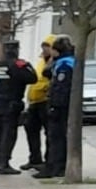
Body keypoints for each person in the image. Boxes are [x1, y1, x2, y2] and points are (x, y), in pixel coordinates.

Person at [0, 43, 36, 175]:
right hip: (12, 104)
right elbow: (33, 78)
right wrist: (27, 65)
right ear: (16, 51)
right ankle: (4, 164)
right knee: (8, 134)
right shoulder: (18, 65)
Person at [37, 35, 77, 179]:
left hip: (60, 107)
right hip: (66, 106)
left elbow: (61, 87)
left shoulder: (64, 65)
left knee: (56, 137)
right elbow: (46, 73)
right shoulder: (67, 61)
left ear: (56, 50)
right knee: (59, 137)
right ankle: (57, 166)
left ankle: (55, 167)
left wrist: (54, 106)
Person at [22, 36, 55, 171]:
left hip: (46, 101)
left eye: (47, 47)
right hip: (34, 101)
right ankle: (35, 159)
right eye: (43, 47)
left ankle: (49, 161)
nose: (44, 49)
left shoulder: (55, 62)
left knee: (49, 133)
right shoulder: (42, 60)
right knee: (31, 130)